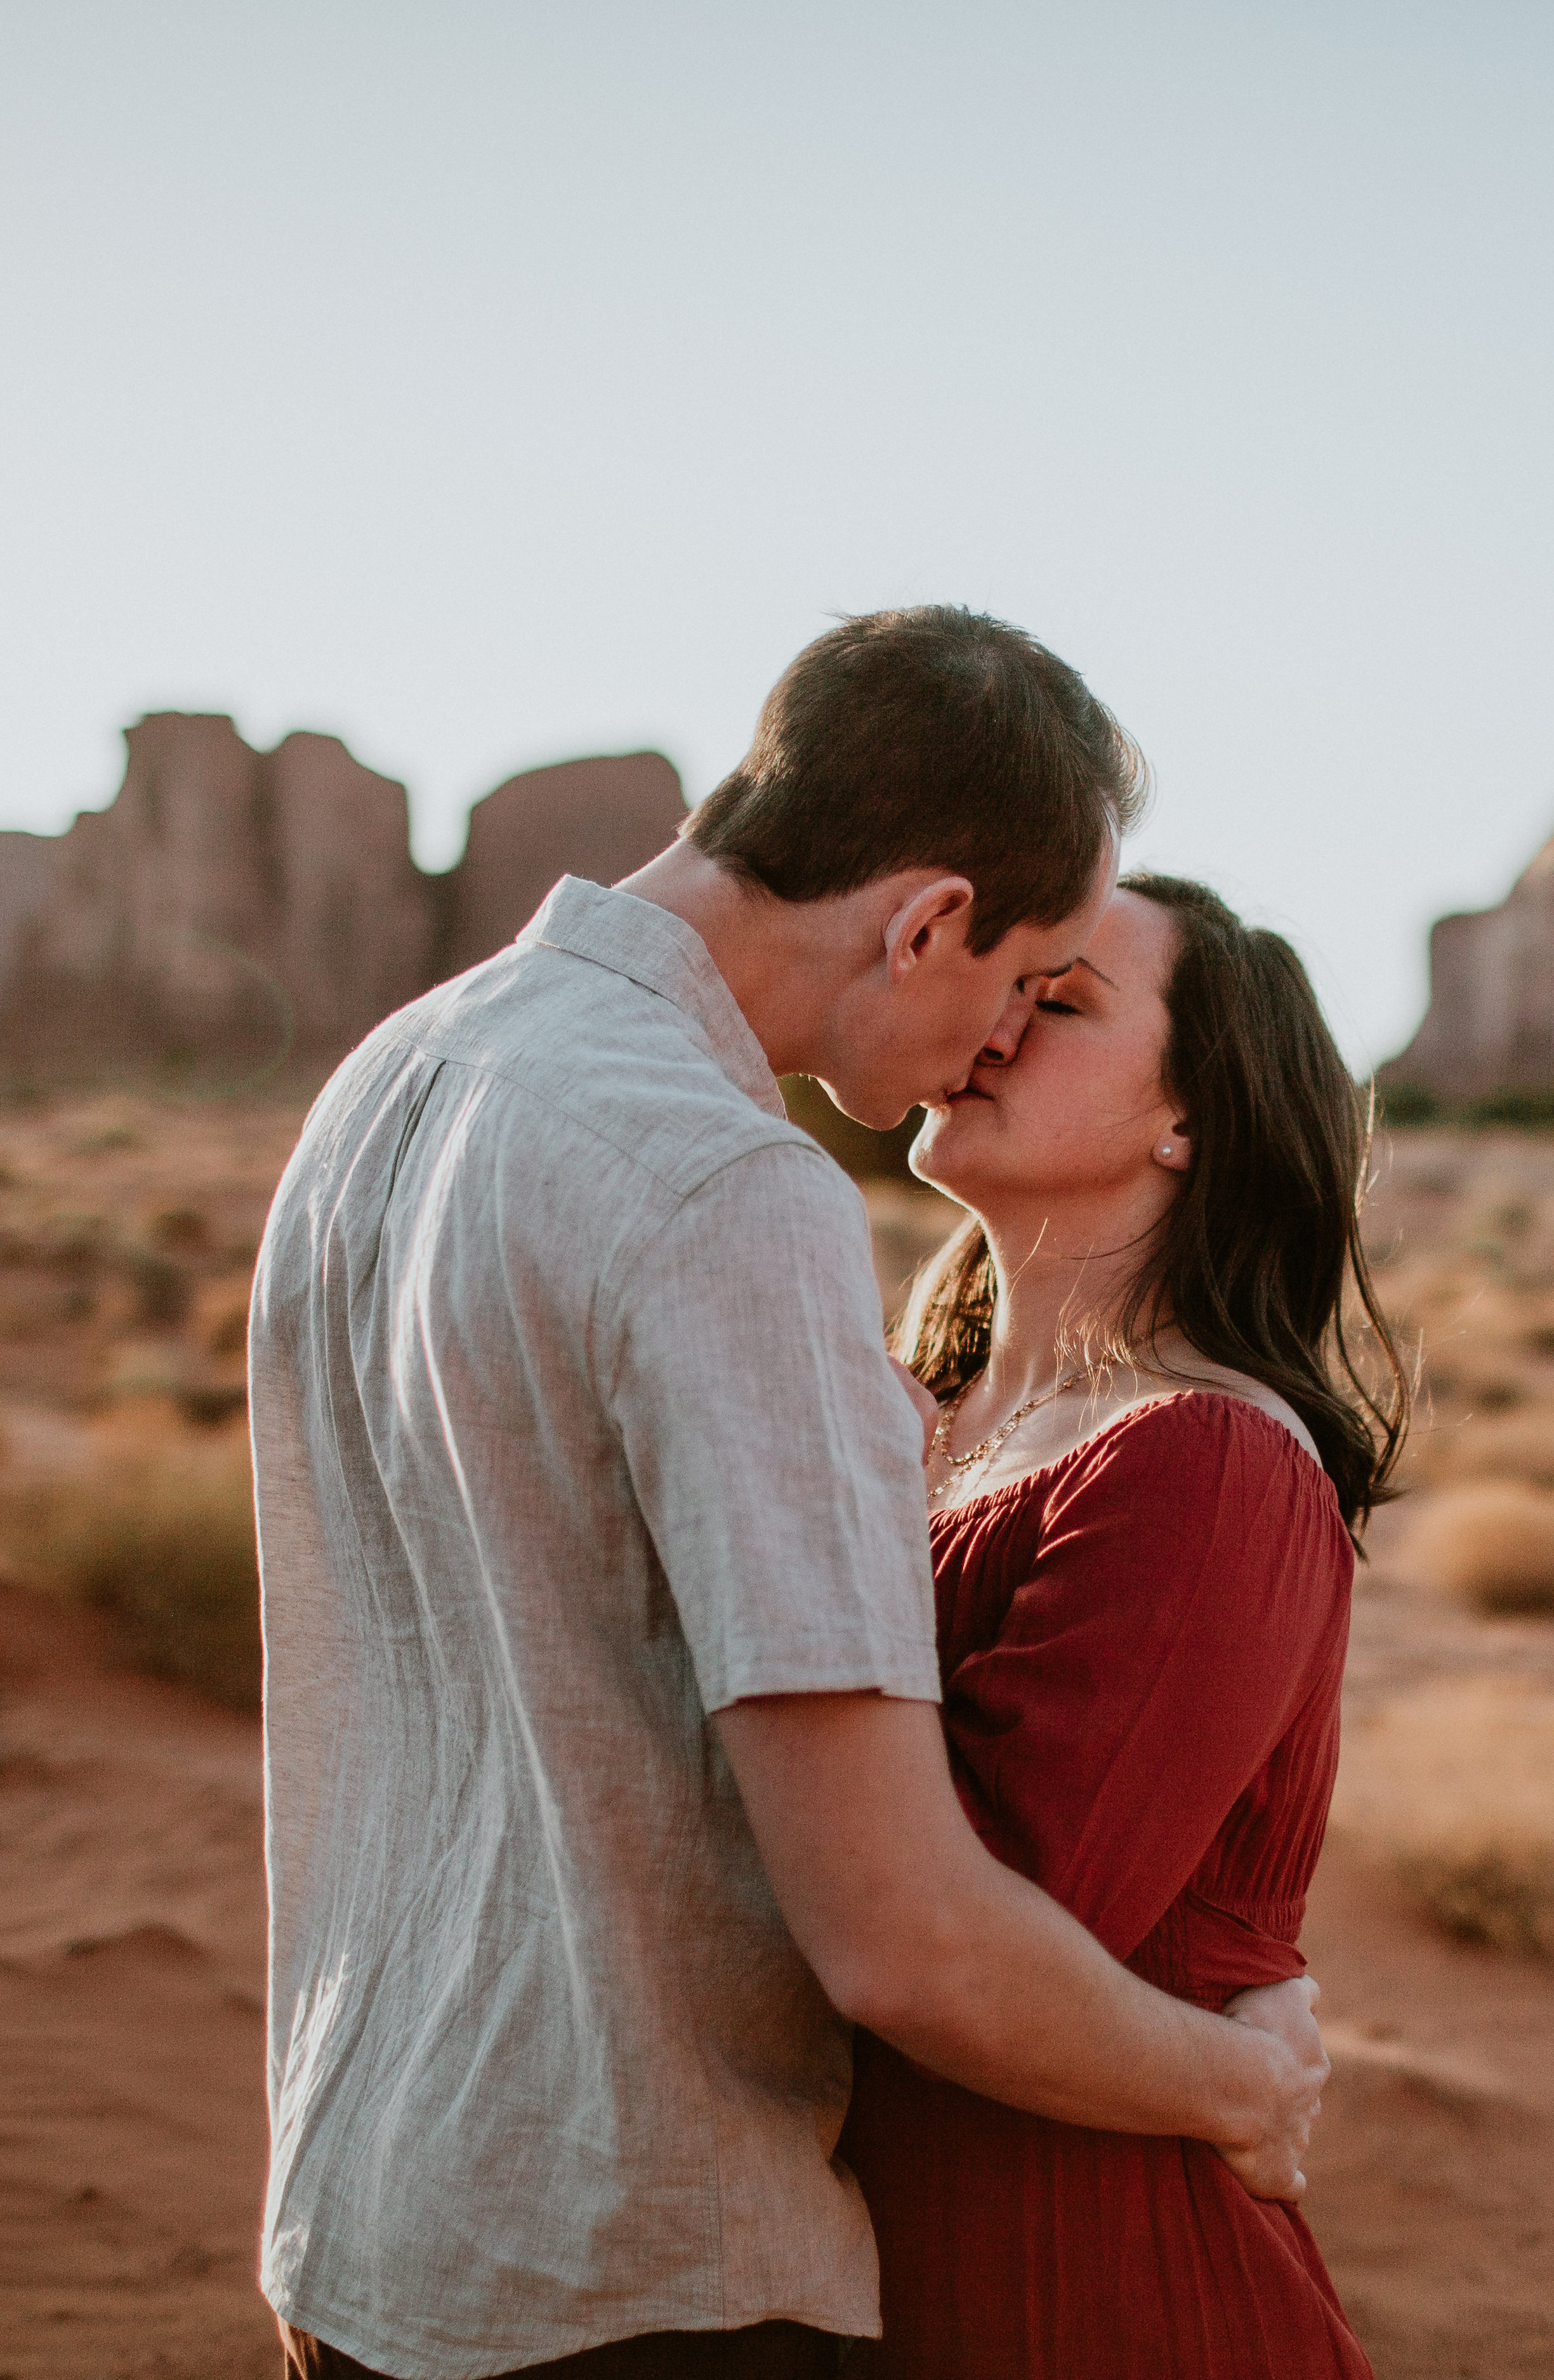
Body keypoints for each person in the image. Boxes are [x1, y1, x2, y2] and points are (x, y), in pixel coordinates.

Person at [251, 610, 1328, 2380]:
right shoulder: (724, 1185)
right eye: (1020, 974)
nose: (991, 1033)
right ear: (923, 921)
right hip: (634, 2261)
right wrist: (1246, 2069)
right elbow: (904, 1934)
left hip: (363, 2218)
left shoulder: (392, 1079)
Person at [838, 875, 1408, 2379]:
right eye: (1001, 977)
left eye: (1062, 998)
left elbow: (967, 1937)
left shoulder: (1203, 1462)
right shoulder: (896, 1421)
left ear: (1189, 1122)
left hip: (1090, 2289)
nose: (991, 1019)